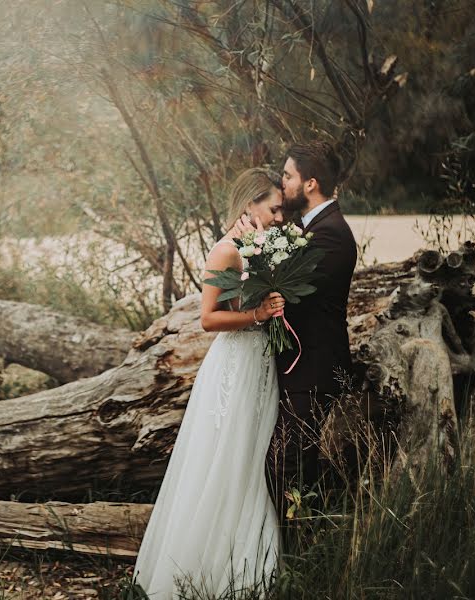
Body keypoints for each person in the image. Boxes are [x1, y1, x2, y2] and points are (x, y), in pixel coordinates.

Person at [132, 168, 286, 598]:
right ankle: (203, 569)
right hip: (234, 367)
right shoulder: (225, 251)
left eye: (280, 210)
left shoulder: (265, 245)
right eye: (273, 208)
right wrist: (258, 315)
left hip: (262, 365)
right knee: (225, 456)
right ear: (249, 204)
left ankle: (246, 560)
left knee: (252, 457)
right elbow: (208, 319)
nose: (278, 217)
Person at [261, 141, 357, 529]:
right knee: (295, 460)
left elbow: (290, 293)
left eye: (287, 176)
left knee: (287, 461)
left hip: (315, 369)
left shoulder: (330, 234)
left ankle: (300, 547)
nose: (281, 184)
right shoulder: (310, 228)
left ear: (310, 184)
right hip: (301, 368)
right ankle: (297, 544)